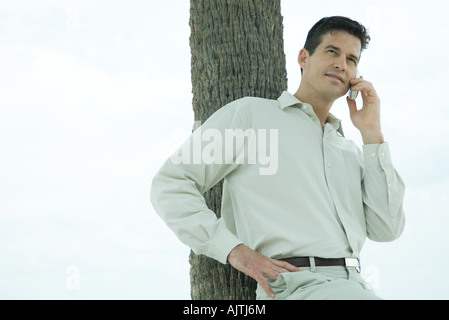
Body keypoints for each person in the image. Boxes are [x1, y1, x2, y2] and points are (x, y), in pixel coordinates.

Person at [150, 16, 405, 300]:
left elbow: (387, 228)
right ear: (304, 58)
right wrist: (233, 250)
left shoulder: (351, 152)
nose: (342, 65)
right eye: (332, 52)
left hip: (355, 286)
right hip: (294, 287)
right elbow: (170, 184)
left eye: (351, 59)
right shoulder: (251, 116)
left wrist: (372, 134)